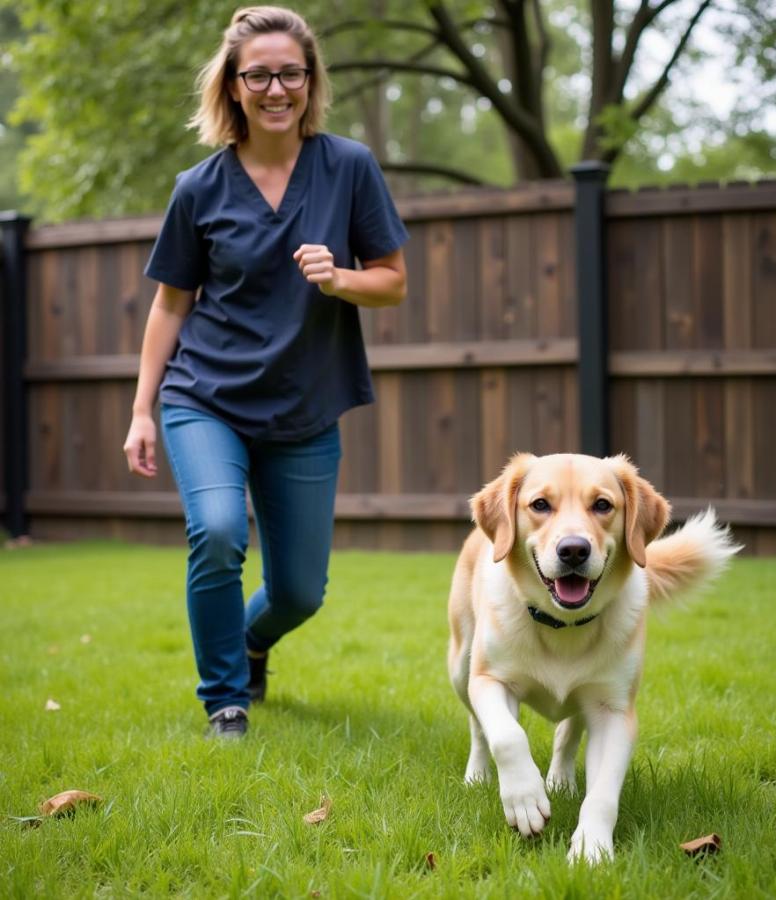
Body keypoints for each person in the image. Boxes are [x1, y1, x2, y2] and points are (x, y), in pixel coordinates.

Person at [123, 5, 408, 739]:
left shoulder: (348, 168)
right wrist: (141, 410)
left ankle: (251, 641)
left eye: (290, 73)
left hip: (305, 406)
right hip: (204, 397)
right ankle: (225, 698)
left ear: (311, 82)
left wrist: (340, 278)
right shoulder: (199, 187)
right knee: (217, 531)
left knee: (300, 593)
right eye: (258, 75)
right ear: (233, 84)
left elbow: (394, 280)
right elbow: (169, 305)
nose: (275, 88)